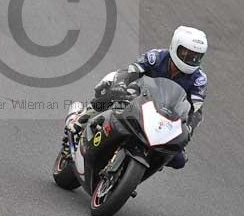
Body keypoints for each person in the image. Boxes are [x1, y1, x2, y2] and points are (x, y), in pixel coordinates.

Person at [75, 26, 208, 169]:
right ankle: (82, 119)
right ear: (175, 46)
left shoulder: (199, 79)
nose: (191, 59)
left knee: (179, 160)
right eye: (185, 53)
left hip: (166, 116)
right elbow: (130, 71)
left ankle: (134, 174)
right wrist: (120, 85)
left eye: (196, 56)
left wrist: (189, 128)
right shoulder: (156, 57)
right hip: (139, 97)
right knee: (112, 90)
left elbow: (197, 109)